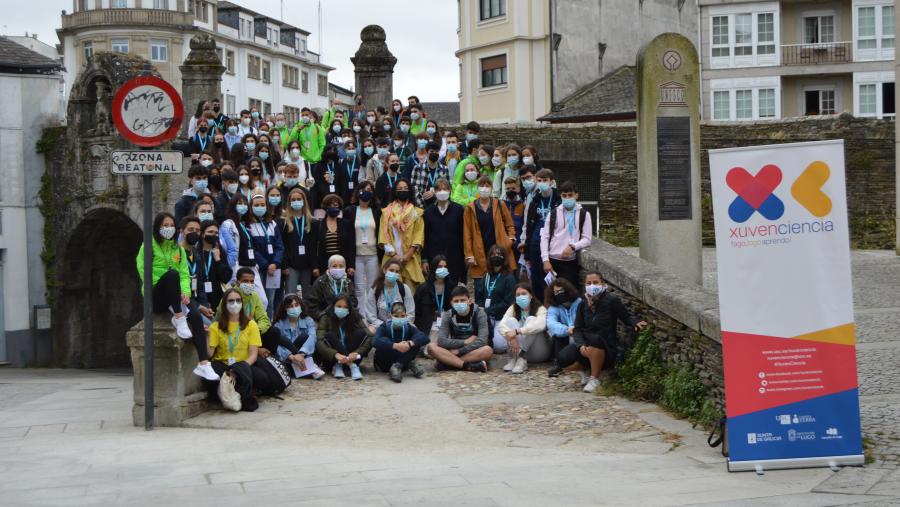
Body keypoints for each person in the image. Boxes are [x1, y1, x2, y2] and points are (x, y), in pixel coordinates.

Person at [136, 212, 217, 381]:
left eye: (171, 225)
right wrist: (172, 290)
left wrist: (185, 293)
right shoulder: (148, 246)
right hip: (156, 295)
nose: (168, 229)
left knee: (195, 315)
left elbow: (185, 275)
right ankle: (179, 318)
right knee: (172, 275)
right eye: (165, 225)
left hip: (176, 295)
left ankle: (203, 363)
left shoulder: (178, 250)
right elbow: (144, 271)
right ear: (158, 228)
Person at [549, 271, 647, 393]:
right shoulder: (583, 304)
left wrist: (635, 322)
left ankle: (594, 378)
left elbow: (625, 316)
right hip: (586, 343)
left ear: (602, 283)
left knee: (596, 339)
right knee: (562, 359)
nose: (592, 286)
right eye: (589, 283)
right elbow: (578, 328)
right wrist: (580, 345)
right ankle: (587, 370)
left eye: (595, 282)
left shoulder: (611, 300)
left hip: (606, 346)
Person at [204, 288, 263, 412]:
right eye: (230, 301)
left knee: (261, 378)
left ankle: (234, 391)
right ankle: (234, 392)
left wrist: (237, 370)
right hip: (222, 364)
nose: (235, 304)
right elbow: (210, 354)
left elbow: (253, 355)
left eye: (238, 300)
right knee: (210, 374)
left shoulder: (251, 325)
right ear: (224, 305)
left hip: (244, 364)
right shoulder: (216, 326)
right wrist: (207, 335)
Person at [463, 176, 517, 287]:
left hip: (500, 249)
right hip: (479, 251)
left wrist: (510, 240)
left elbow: (510, 224)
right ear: (477, 188)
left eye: (487, 186)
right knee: (480, 288)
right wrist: (469, 254)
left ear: (492, 188)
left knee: (503, 285)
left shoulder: (499, 204)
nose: (484, 189)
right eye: (482, 186)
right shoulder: (470, 208)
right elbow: (467, 233)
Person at [540, 180, 593, 287]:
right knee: (551, 293)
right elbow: (545, 237)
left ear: (576, 195)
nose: (567, 198)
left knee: (568, 294)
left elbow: (587, 239)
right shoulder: (554, 212)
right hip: (552, 261)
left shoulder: (584, 214)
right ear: (561, 196)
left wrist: (573, 247)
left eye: (570, 195)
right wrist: (545, 260)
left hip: (570, 263)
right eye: (564, 195)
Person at [429, 286, 491, 372]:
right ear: (451, 303)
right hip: (454, 348)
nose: (459, 303)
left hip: (472, 350)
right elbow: (441, 340)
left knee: (487, 350)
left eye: (462, 300)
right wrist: (464, 342)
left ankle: (448, 363)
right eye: (456, 301)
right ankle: (466, 365)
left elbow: (482, 340)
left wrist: (459, 351)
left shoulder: (480, 313)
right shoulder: (448, 314)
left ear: (469, 301)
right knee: (431, 347)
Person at [521, 168, 560, 301]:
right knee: (536, 278)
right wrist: (526, 250)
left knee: (551, 277)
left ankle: (552, 304)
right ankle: (539, 305)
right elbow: (529, 226)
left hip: (553, 243)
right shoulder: (534, 201)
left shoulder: (558, 199)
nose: (542, 183)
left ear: (551, 182)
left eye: (545, 180)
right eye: (539, 180)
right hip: (535, 243)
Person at [379, 179, 425, 290]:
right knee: (392, 292)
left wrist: (407, 255)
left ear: (410, 191)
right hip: (391, 259)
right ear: (395, 191)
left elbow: (419, 235)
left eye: (405, 188)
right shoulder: (386, 213)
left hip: (410, 258)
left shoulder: (416, 212)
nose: (402, 191)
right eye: (399, 189)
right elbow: (383, 237)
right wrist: (395, 256)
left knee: (411, 292)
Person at [494, 283, 550, 373]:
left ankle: (522, 357)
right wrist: (512, 338)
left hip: (538, 352)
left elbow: (540, 325)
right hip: (516, 349)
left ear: (531, 295)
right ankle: (515, 358)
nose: (521, 296)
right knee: (511, 320)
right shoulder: (513, 308)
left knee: (531, 320)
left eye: (524, 293)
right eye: (518, 295)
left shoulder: (540, 308)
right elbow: (501, 325)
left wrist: (518, 331)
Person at [315, 295, 372, 380]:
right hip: (332, 360)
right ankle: (350, 365)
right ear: (333, 306)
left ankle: (349, 363)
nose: (341, 309)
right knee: (329, 335)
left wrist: (357, 353)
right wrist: (335, 354)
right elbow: (319, 341)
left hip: (352, 356)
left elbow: (369, 336)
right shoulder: (326, 317)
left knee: (361, 333)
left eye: (345, 307)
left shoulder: (354, 316)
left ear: (349, 309)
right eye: (339, 306)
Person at [422, 179, 466, 287]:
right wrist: (424, 259)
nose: (442, 192)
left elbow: (464, 235)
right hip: (434, 257)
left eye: (445, 189)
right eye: (439, 189)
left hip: (455, 257)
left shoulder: (459, 209)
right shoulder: (428, 212)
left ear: (450, 190)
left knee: (454, 288)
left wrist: (465, 256)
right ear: (435, 192)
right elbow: (425, 237)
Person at [343, 181, 382, 302]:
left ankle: (371, 316)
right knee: (359, 288)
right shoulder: (349, 211)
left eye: (370, 190)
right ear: (358, 191)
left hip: (373, 254)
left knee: (373, 287)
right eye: (364, 189)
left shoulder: (377, 212)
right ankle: (361, 317)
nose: (367, 192)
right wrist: (349, 262)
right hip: (356, 255)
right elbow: (347, 237)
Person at [247, 192, 285, 317]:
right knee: (260, 300)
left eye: (262, 204)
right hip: (259, 269)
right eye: (256, 205)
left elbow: (279, 246)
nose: (260, 207)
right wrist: (266, 264)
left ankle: (269, 326)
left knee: (270, 301)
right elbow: (252, 248)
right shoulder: (249, 226)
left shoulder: (273, 224)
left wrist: (275, 263)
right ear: (251, 207)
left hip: (273, 269)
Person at [272, 294, 325, 380]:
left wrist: (302, 354)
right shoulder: (279, 324)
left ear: (300, 305)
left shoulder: (308, 320)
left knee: (305, 337)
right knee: (279, 339)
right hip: (287, 358)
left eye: (296, 305)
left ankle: (305, 368)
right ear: (285, 309)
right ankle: (310, 369)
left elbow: (312, 337)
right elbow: (277, 345)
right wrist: (291, 356)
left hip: (306, 355)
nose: (294, 308)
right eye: (290, 306)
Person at [373, 302, 429, 382]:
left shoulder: (408, 327)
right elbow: (375, 341)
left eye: (402, 316)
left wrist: (410, 343)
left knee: (416, 341)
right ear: (391, 316)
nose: (399, 318)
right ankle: (409, 363)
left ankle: (399, 365)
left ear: (406, 316)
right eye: (396, 316)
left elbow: (425, 338)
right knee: (385, 340)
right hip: (385, 363)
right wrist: (395, 345)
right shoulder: (384, 327)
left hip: (401, 361)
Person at [474, 243, 517, 339]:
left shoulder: (509, 278)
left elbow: (508, 302)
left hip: (501, 317)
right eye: (493, 254)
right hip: (485, 316)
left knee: (498, 347)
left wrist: (488, 310)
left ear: (504, 258)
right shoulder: (486, 276)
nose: (496, 257)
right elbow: (479, 296)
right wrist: (481, 308)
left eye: (499, 254)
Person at [281, 187, 317, 298]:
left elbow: (314, 245)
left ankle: (306, 316)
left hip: (307, 265)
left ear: (304, 201)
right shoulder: (284, 222)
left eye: (299, 199)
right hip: (291, 266)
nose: (296, 201)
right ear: (289, 202)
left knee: (307, 297)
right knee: (290, 295)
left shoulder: (312, 221)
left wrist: (314, 266)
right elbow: (283, 245)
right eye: (294, 199)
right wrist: (285, 265)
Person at [363, 259, 415, 333]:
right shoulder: (375, 289)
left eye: (397, 272)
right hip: (381, 326)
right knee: (370, 330)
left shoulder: (404, 288)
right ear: (384, 270)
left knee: (415, 329)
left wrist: (398, 325)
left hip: (401, 325)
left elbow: (410, 314)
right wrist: (386, 326)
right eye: (391, 270)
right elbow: (370, 315)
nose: (394, 273)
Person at [193, 220, 232, 317]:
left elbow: (226, 277)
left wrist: (218, 259)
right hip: (200, 295)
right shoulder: (195, 251)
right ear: (202, 234)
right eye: (210, 232)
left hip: (217, 295)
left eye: (216, 233)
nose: (213, 235)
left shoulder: (219, 251)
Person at [311, 194, 355, 277]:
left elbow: (351, 246)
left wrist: (351, 266)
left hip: (342, 264)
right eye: (330, 205)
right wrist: (314, 267)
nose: (333, 207)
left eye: (335, 205)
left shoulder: (346, 224)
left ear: (339, 207)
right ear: (325, 207)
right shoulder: (317, 224)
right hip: (323, 265)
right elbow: (313, 247)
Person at [306, 254, 357, 321]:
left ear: (345, 268)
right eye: (334, 266)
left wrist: (347, 313)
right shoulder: (320, 282)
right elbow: (312, 305)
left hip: (345, 318)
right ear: (329, 267)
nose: (338, 269)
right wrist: (322, 317)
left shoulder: (348, 282)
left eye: (341, 266)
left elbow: (354, 301)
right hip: (325, 319)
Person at [413, 255, 453, 339]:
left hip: (446, 325)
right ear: (434, 268)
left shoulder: (451, 287)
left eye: (445, 266)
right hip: (427, 327)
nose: (443, 269)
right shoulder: (423, 289)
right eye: (440, 266)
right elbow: (416, 312)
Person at [545, 277, 582, 363]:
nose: (558, 294)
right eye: (556, 292)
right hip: (564, 337)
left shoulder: (579, 303)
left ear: (567, 290)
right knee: (558, 336)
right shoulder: (553, 308)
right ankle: (559, 360)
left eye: (561, 291)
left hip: (577, 335)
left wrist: (574, 329)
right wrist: (566, 330)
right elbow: (551, 324)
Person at [410, 141, 448, 209]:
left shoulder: (444, 169)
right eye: (432, 151)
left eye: (436, 151)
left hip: (439, 206)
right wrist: (423, 207)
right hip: (422, 206)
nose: (434, 153)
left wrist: (434, 192)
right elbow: (414, 189)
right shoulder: (418, 168)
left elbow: (447, 189)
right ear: (427, 152)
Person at [502, 177, 525, 251]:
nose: (510, 191)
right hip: (504, 241)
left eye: (513, 188)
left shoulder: (523, 205)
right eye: (508, 189)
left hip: (518, 243)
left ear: (518, 189)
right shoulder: (500, 205)